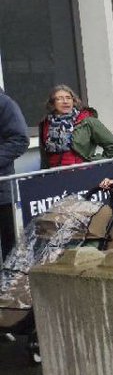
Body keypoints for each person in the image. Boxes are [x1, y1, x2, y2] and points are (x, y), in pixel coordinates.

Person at [38, 85, 113, 168]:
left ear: (73, 101)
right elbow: (44, 156)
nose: (65, 101)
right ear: (52, 103)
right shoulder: (46, 124)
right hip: (55, 174)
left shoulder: (87, 121)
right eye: (59, 98)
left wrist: (94, 163)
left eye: (68, 98)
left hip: (82, 173)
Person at [0, 88, 28, 260]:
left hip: (2, 191)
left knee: (8, 247)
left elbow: (20, 139)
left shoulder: (4, 104)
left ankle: (9, 284)